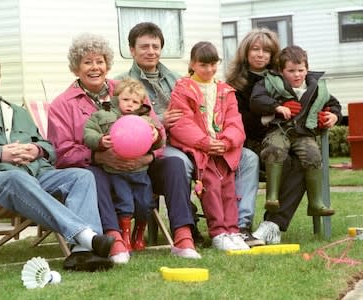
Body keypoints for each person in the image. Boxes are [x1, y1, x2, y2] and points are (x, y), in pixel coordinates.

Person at [0, 52, 115, 272]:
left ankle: (82, 254)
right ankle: (87, 236)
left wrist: (36, 150)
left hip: (34, 176)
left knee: (81, 176)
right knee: (15, 177)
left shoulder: (15, 111)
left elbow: (48, 147)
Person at [48, 33, 201, 264]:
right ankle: (114, 237)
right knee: (91, 175)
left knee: (174, 163)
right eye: (87, 62)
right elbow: (61, 153)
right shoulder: (62, 104)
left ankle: (182, 235)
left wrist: (151, 150)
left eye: (99, 61)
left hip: (140, 167)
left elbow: (158, 129)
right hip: (100, 169)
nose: (95, 67)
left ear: (107, 64)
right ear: (75, 68)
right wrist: (99, 156)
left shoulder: (128, 90)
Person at [117, 22, 262, 247]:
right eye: (144, 46)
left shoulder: (178, 79)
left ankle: (241, 226)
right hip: (163, 145)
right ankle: (188, 223)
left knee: (249, 158)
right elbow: (123, 124)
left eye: (155, 46)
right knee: (181, 162)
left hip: (201, 139)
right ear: (132, 50)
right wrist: (159, 123)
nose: (151, 51)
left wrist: (220, 140)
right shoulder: (123, 83)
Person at [167, 41, 249, 251]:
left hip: (222, 150)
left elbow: (234, 121)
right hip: (200, 150)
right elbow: (180, 123)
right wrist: (204, 142)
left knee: (229, 190)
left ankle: (232, 230)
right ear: (192, 64)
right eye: (203, 65)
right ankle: (218, 232)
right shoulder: (182, 90)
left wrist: (227, 141)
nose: (209, 70)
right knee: (211, 188)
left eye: (213, 64)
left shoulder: (225, 91)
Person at [226, 28, 304, 244]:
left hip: (283, 140)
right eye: (255, 49)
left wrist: (332, 115)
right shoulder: (234, 84)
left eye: (266, 51)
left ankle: (272, 224)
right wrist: (272, 115)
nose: (260, 54)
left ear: (273, 56)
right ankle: (248, 224)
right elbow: (239, 121)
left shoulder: (282, 78)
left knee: (302, 163)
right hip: (251, 143)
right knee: (284, 161)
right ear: (246, 52)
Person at [250, 45, 340, 216]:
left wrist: (334, 116)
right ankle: (272, 197)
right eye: (291, 71)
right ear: (282, 71)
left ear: (307, 69)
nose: (297, 74)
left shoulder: (317, 87)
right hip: (279, 130)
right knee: (274, 149)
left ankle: (315, 203)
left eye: (301, 70)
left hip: (303, 133)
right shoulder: (270, 82)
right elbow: (256, 100)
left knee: (313, 155)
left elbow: (334, 104)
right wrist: (276, 106)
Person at [83, 77, 164, 251]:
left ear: (141, 103)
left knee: (145, 203)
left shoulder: (145, 120)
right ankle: (125, 235)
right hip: (116, 172)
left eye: (135, 102)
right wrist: (99, 141)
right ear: (116, 97)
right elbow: (88, 132)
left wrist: (155, 136)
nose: (129, 105)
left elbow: (156, 139)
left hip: (140, 171)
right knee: (125, 203)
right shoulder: (103, 115)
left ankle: (139, 234)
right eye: (125, 99)